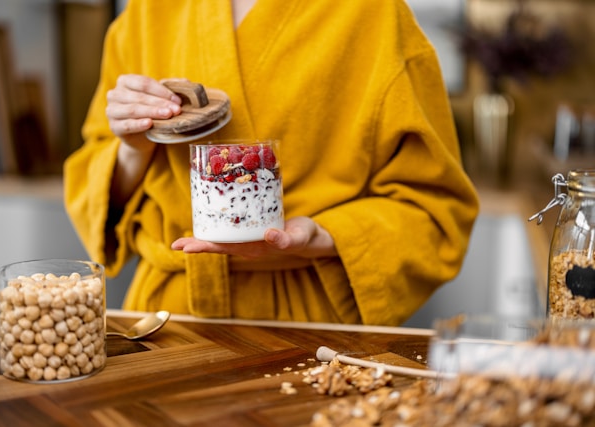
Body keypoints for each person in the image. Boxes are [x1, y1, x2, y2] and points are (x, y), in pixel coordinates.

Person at [63, 0, 479, 325]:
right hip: (169, 316)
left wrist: (323, 235)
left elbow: (435, 209)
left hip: (307, 320)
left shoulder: (376, 16)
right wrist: (134, 146)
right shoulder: (145, 13)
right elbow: (98, 189)